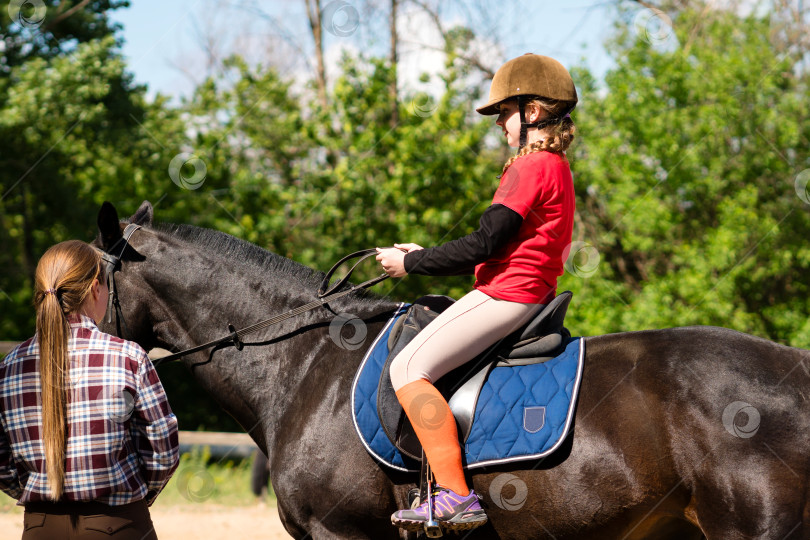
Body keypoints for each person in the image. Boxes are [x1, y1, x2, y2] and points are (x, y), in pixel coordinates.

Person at [376, 53, 578, 532]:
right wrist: (426, 252)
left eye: (505, 114)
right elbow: (500, 243)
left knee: (407, 368)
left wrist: (411, 264)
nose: (501, 126)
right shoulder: (556, 167)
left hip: (508, 294)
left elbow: (484, 244)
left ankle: (456, 496)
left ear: (531, 112)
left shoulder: (530, 168)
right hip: (527, 292)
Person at [0, 240, 180, 539]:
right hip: (119, 525)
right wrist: (131, 494)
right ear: (96, 288)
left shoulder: (9, 368)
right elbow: (162, 449)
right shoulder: (129, 357)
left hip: (40, 529)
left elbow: (2, 460)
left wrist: (36, 491)